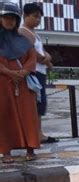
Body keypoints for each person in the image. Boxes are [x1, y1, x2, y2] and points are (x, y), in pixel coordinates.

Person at [0, 2, 40, 163]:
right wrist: (8, 72)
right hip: (3, 84)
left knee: (28, 115)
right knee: (4, 116)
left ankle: (30, 148)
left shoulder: (23, 40)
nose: (9, 21)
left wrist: (23, 72)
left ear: (17, 20)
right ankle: (6, 152)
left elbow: (32, 58)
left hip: (23, 84)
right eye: (5, 17)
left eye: (13, 18)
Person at [19, 3, 58, 144]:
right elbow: (34, 54)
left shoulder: (34, 33)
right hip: (32, 73)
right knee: (34, 104)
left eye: (39, 17)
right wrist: (46, 59)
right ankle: (33, 134)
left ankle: (38, 133)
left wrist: (47, 59)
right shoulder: (23, 32)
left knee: (40, 105)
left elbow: (43, 53)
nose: (38, 20)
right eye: (35, 16)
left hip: (39, 72)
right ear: (25, 16)